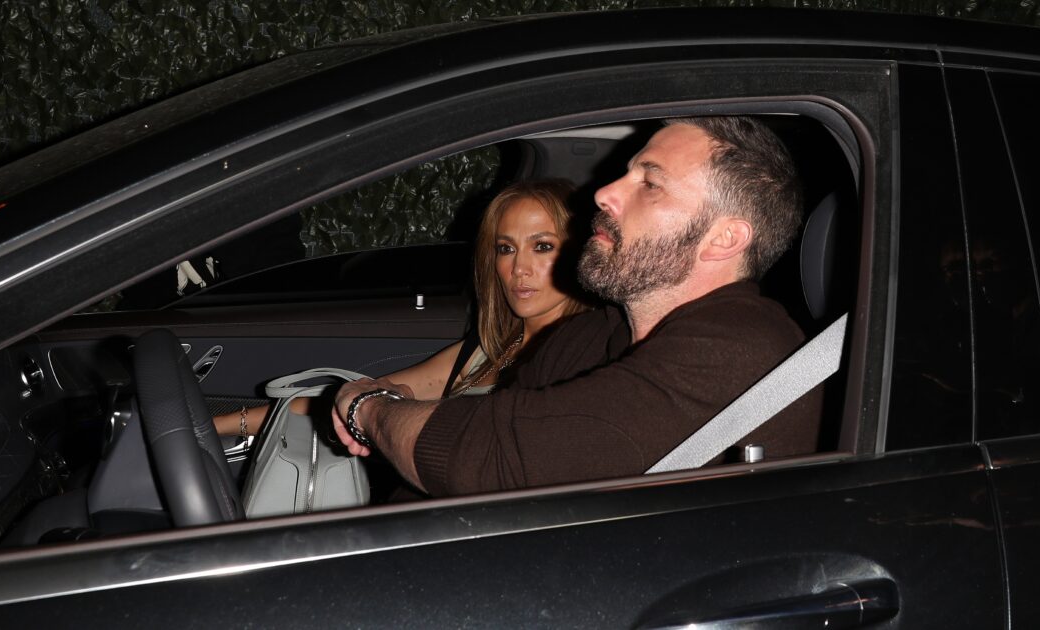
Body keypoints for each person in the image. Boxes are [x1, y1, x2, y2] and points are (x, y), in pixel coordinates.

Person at [331, 116, 823, 496]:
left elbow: (485, 458)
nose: (604, 193)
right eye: (626, 174)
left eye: (650, 183)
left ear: (723, 239)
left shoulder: (743, 349)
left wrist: (367, 408)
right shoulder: (590, 336)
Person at [214, 179, 591, 437]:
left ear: (580, 253)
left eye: (542, 246)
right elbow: (347, 403)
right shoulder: (485, 352)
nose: (518, 268)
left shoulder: (581, 359)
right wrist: (218, 427)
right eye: (506, 248)